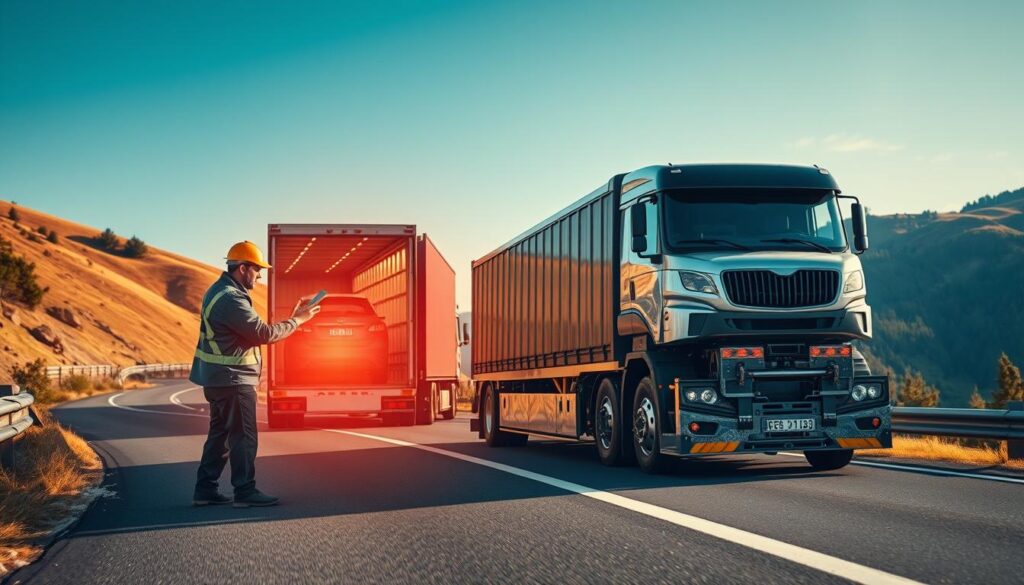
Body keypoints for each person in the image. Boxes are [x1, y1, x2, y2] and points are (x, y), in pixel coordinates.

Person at [191, 240, 321, 508]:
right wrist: (298, 320)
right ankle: (245, 491)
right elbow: (263, 334)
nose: (260, 275)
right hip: (233, 379)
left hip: (219, 378)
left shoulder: (220, 291)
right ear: (242, 268)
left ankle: (205, 490)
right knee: (243, 436)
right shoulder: (230, 298)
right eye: (257, 270)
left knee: (221, 435)